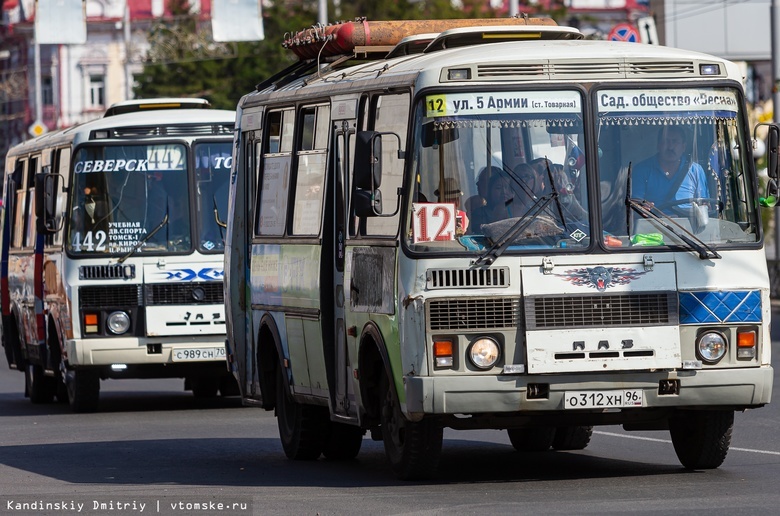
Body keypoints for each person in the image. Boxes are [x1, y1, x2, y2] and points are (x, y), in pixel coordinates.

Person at [631, 125, 709, 210]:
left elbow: (705, 206)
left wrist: (704, 208)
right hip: (653, 222)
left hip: (688, 223)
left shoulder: (696, 171)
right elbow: (634, 206)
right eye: (666, 141)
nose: (670, 147)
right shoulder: (641, 170)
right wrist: (642, 208)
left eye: (675, 142)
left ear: (683, 147)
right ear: (658, 145)